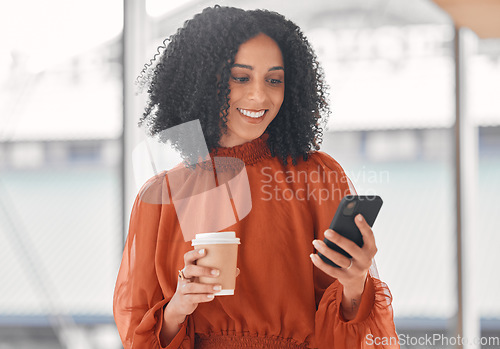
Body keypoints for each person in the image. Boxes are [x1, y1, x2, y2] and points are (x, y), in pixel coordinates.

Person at [114, 5, 399, 349]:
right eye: (241, 77)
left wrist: (356, 284)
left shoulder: (318, 177)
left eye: (274, 80)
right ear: (204, 80)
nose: (260, 96)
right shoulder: (162, 198)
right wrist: (179, 306)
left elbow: (350, 332)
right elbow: (138, 338)